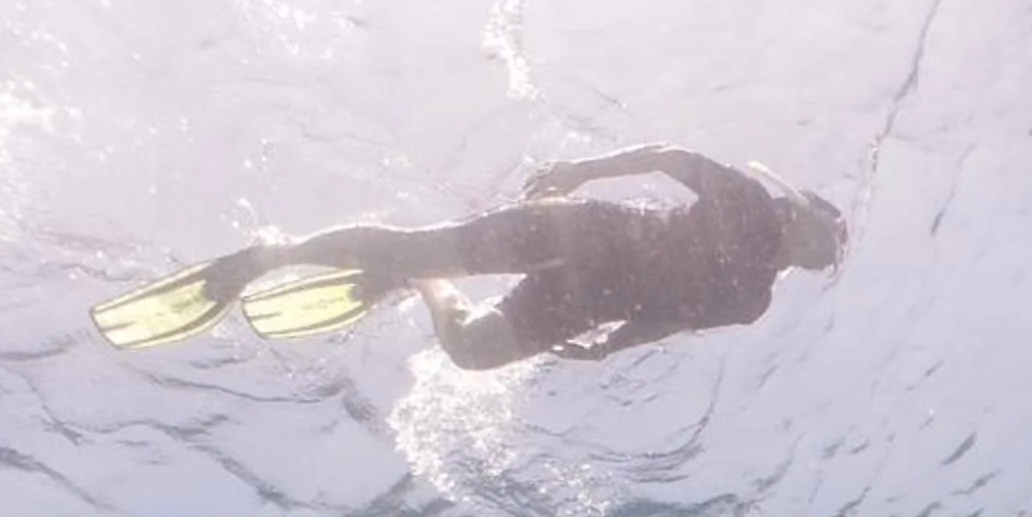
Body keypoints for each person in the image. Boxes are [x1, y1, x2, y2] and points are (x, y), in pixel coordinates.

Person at [89, 146, 844, 370]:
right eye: (822, 230)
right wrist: (582, 171)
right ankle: (270, 256)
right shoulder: (748, 200)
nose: (818, 248)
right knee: (414, 243)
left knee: (474, 352)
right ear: (802, 210)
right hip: (579, 234)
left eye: (827, 252)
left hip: (588, 304)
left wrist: (609, 347)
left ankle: (423, 283)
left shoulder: (752, 302)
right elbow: (670, 156)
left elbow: (672, 321)